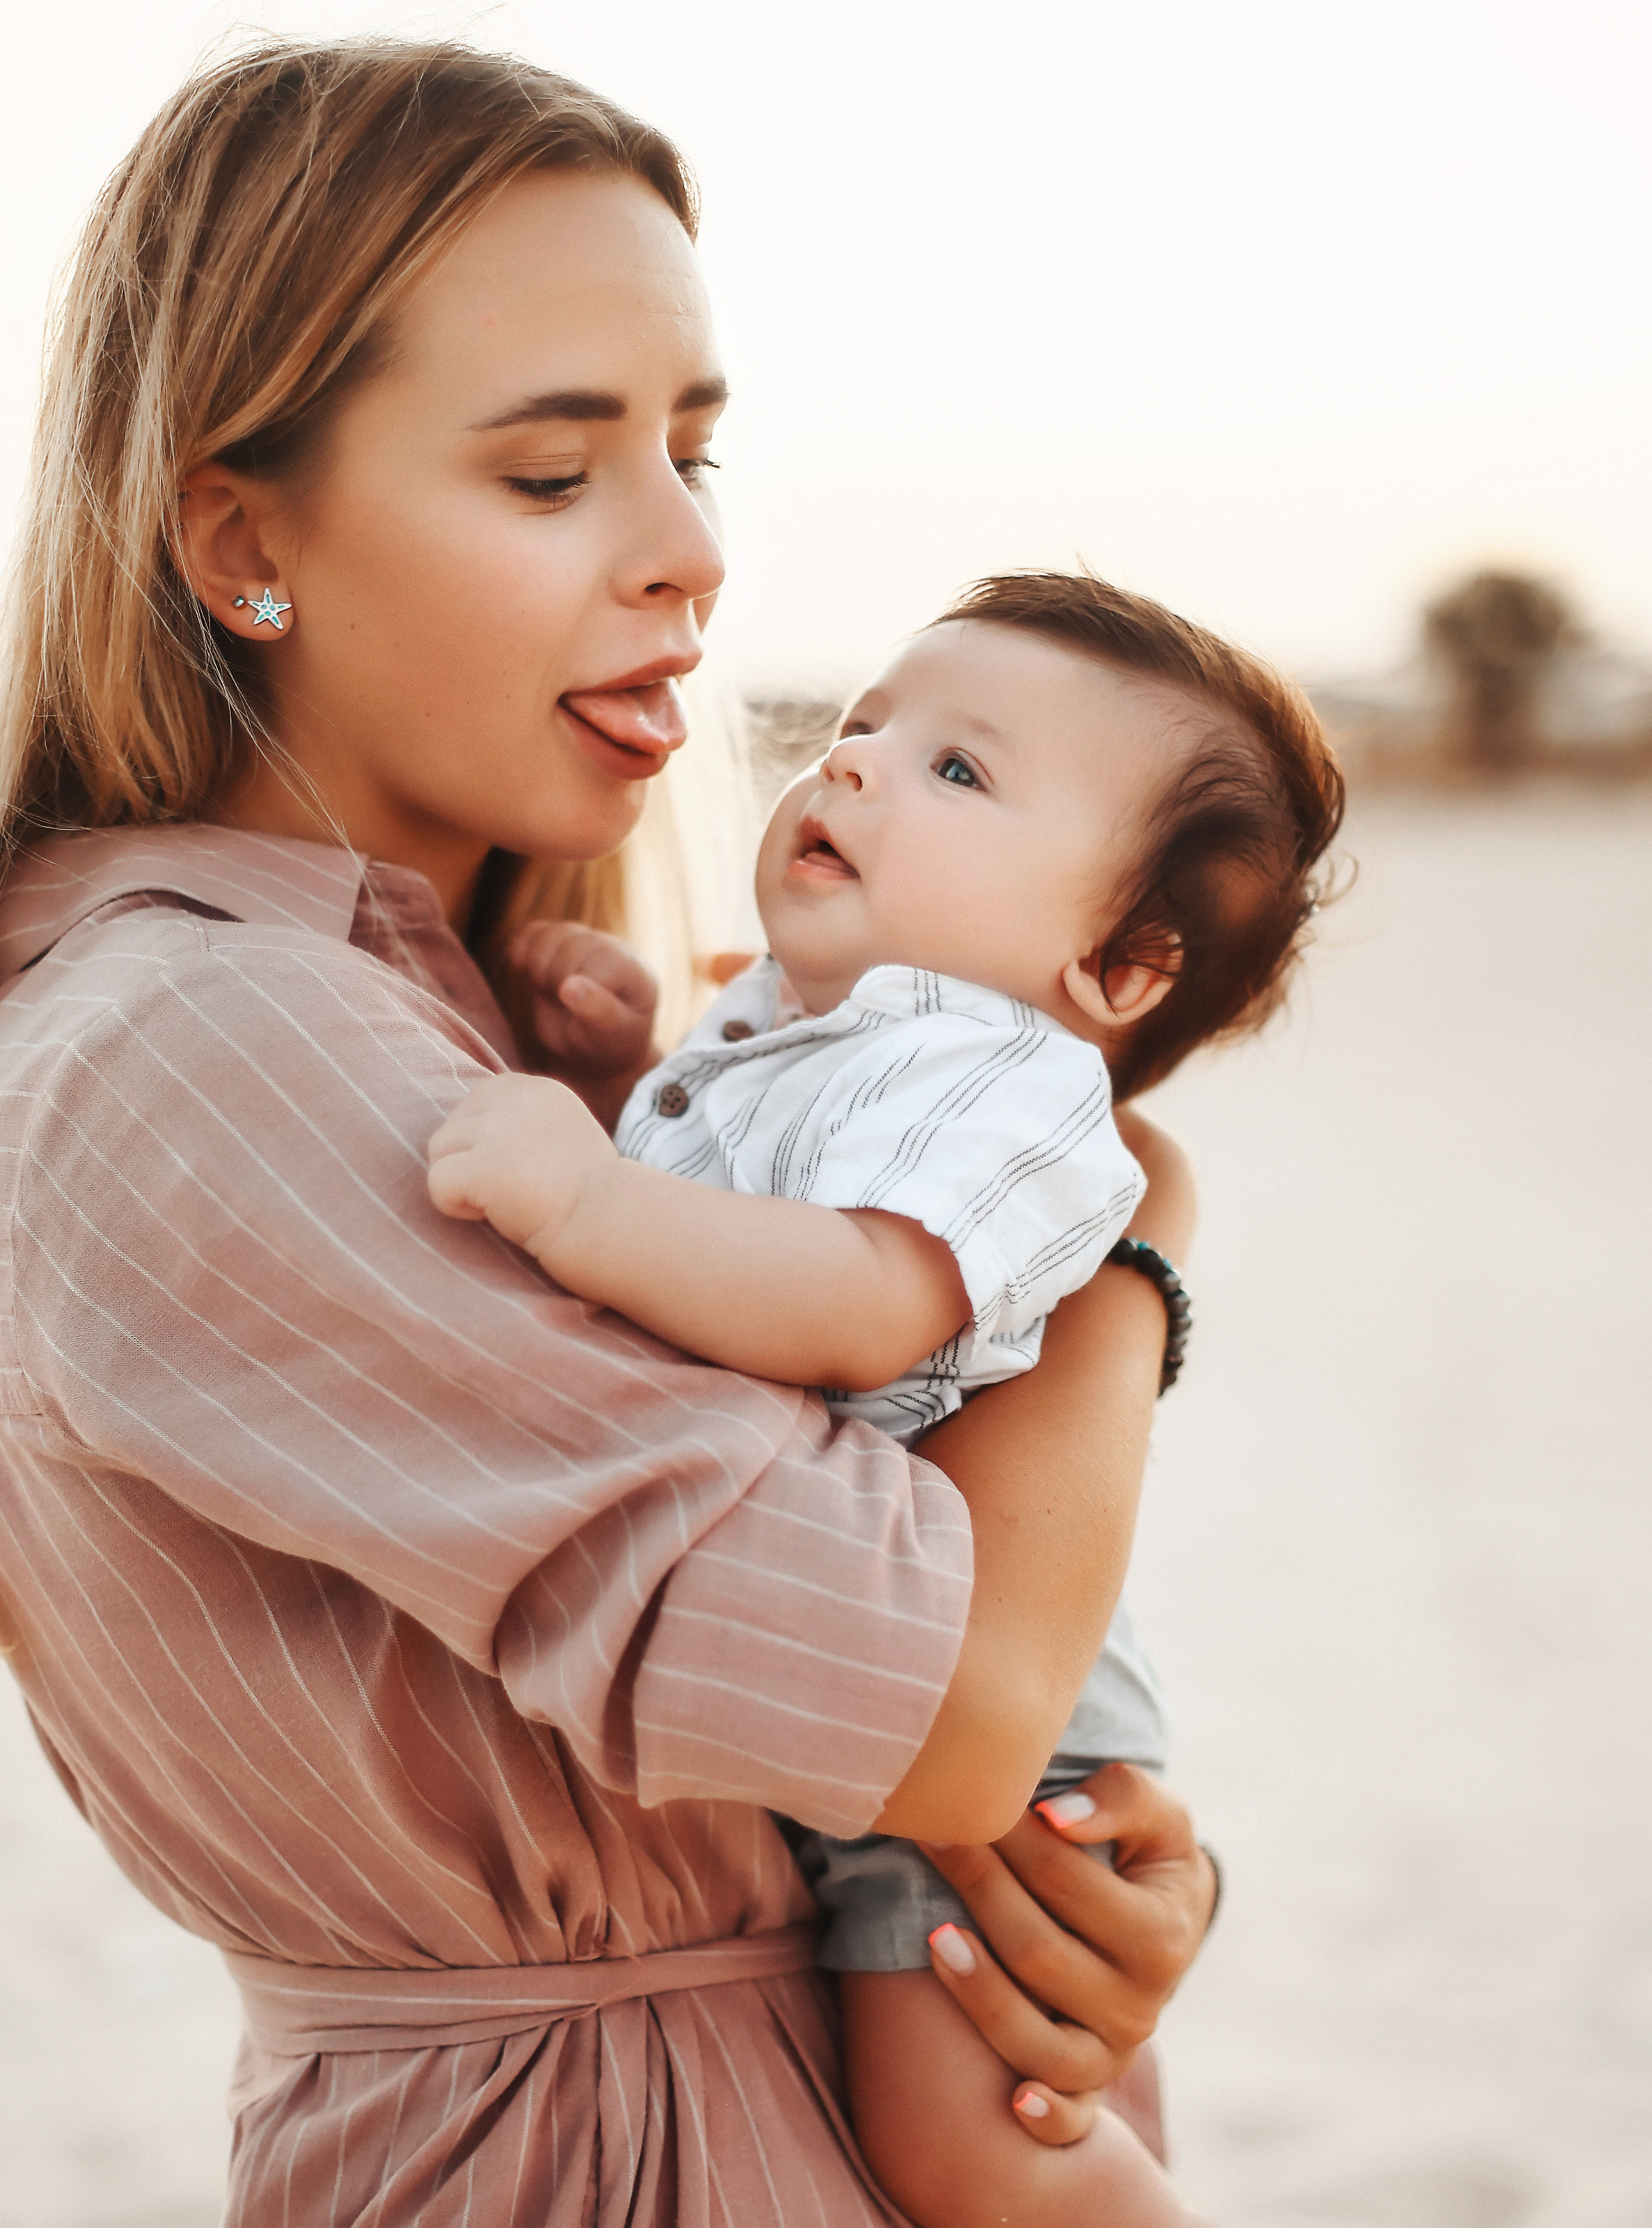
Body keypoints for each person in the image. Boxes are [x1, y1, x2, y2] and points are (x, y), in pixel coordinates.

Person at [0, 38, 1224, 2227]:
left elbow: (903, 1742)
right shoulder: (205, 1046)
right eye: (557, 477)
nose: (688, 554)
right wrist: (1126, 1250)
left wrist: (1061, 1890)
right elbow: (942, 1697)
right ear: (242, 540)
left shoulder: (485, 1026)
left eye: (694, 451)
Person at [427, 573, 1344, 2225]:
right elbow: (744, 1193)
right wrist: (621, 1070)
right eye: (864, 726)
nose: (850, 766)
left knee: (963, 2141)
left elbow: (853, 1301)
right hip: (873, 1654)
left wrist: (590, 1204)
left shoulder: (1003, 1083)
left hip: (999, 1705)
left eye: (958, 772)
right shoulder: (822, 1019)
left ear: (1120, 968)